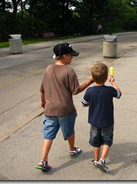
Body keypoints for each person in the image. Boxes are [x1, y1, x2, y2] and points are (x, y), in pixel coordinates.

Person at [36, 42, 94, 171]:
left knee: (48, 135)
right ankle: (72, 150)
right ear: (64, 56)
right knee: (69, 131)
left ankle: (43, 160)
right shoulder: (69, 71)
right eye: (71, 55)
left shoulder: (48, 69)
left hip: (50, 109)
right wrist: (90, 81)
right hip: (65, 109)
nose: (72, 58)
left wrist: (43, 102)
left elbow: (42, 89)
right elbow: (75, 90)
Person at [81, 63, 122, 173]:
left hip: (94, 121)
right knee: (107, 140)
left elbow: (83, 103)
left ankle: (96, 159)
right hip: (107, 121)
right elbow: (119, 94)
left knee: (96, 140)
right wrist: (113, 82)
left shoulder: (90, 91)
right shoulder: (109, 90)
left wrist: (92, 102)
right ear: (106, 77)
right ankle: (102, 159)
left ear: (93, 78)